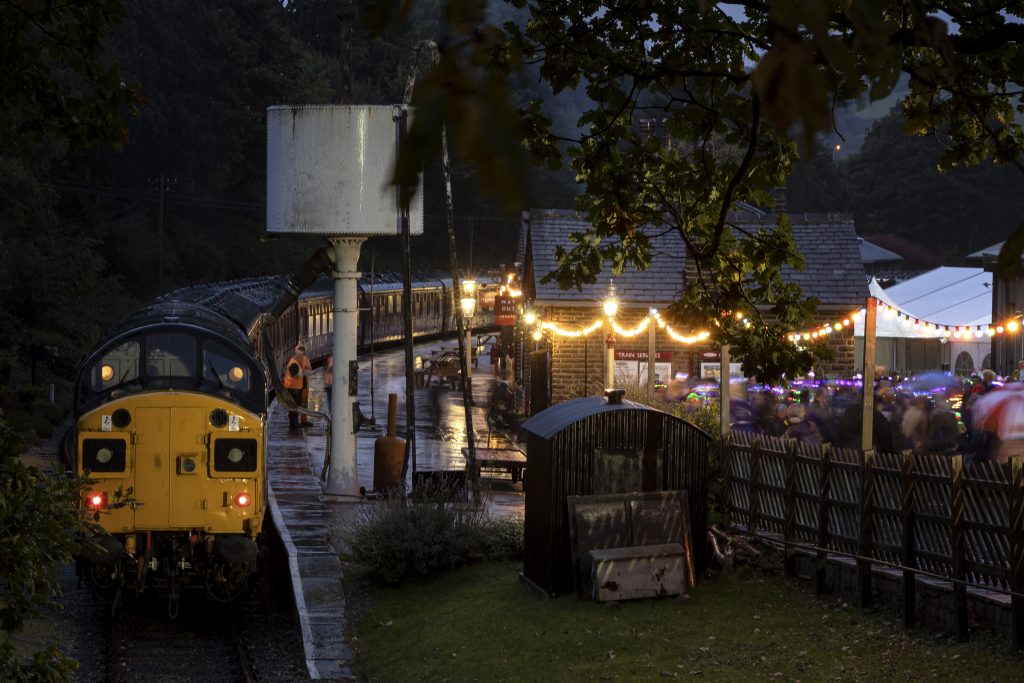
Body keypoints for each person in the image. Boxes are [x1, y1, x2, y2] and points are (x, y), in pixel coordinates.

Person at [284, 344, 312, 428]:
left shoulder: (305, 360)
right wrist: (304, 372)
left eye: (302, 354)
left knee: (302, 404)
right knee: (294, 406)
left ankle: (304, 420)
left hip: (302, 386)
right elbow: (296, 374)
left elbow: (309, 370)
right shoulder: (293, 363)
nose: (301, 356)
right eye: (299, 354)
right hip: (292, 387)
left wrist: (304, 372)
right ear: (296, 354)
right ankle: (293, 423)